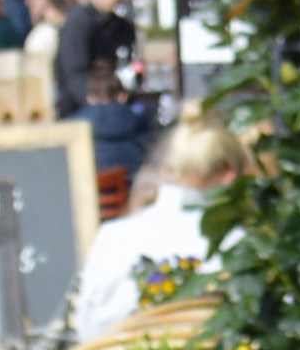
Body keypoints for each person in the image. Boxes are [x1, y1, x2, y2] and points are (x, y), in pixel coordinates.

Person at [70, 106, 241, 328]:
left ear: (165, 170)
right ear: (229, 177)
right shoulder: (237, 242)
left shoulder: (112, 237)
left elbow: (85, 326)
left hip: (116, 349)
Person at [54, 0, 159, 181]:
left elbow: (133, 71)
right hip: (84, 120)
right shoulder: (77, 25)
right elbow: (74, 77)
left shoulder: (123, 28)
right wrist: (104, 104)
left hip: (120, 114)